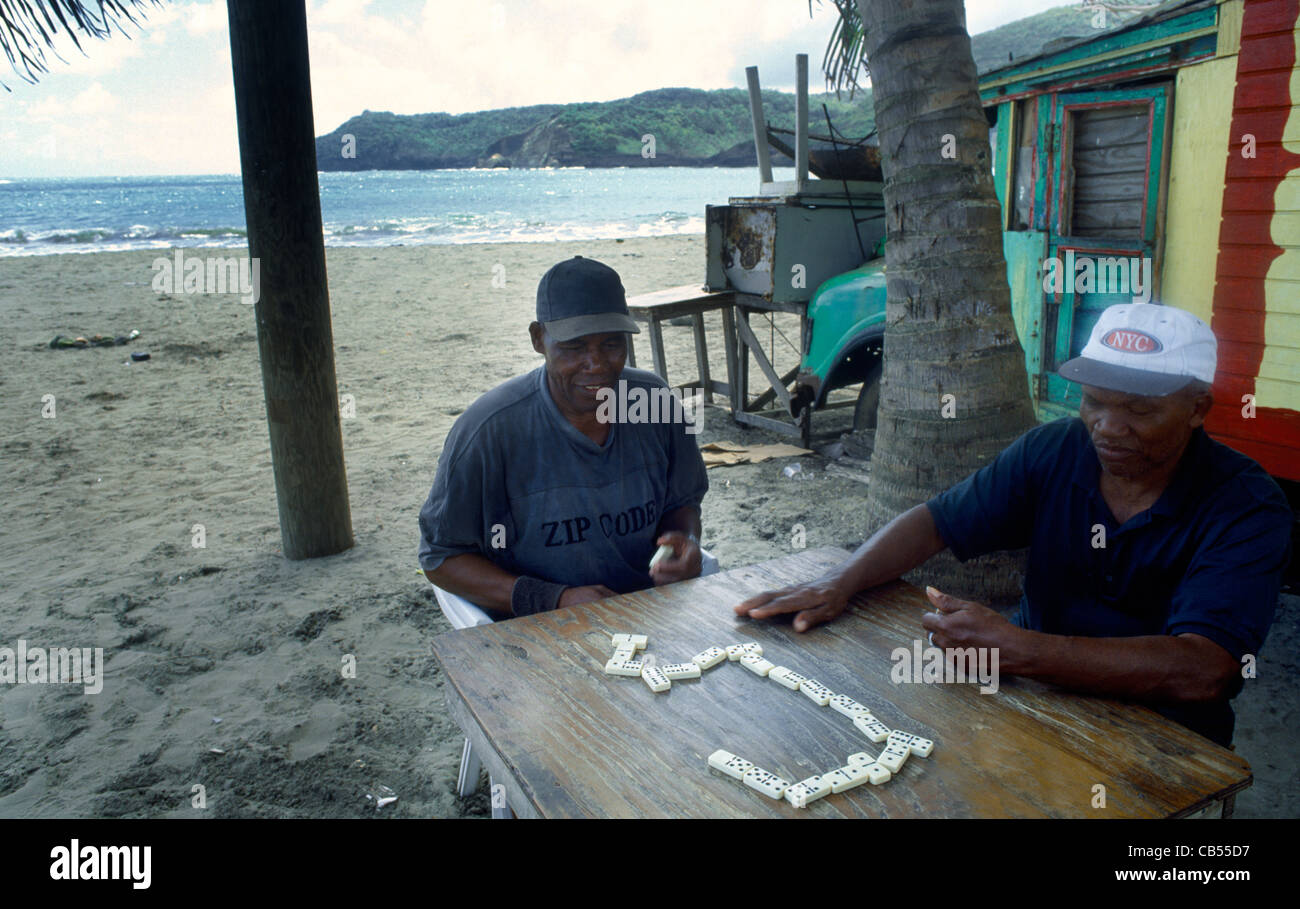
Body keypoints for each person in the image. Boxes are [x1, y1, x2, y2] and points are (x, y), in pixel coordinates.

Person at [735, 302, 1292, 746]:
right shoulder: (1056, 449)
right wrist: (840, 581)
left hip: (1167, 736)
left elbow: (1204, 670)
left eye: (1140, 411)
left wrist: (1021, 651)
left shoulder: (1247, 506)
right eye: (1094, 401)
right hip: (1033, 701)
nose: (1108, 427)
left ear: (1198, 408)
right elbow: (936, 521)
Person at [419, 256, 708, 620]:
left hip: (649, 609)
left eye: (612, 344)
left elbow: (682, 503)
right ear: (538, 339)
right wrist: (552, 599)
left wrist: (685, 543)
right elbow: (441, 558)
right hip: (538, 624)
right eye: (574, 346)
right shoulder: (489, 430)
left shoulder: (654, 402)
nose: (597, 363)